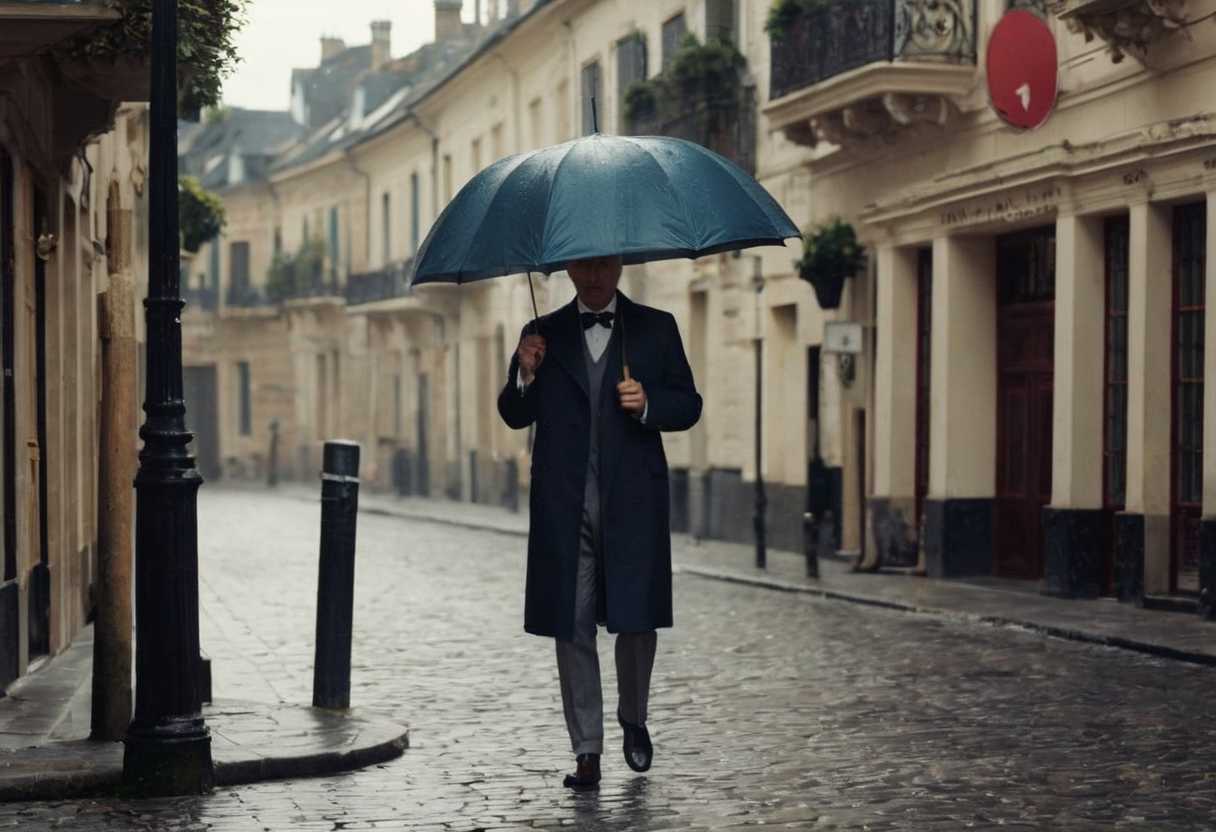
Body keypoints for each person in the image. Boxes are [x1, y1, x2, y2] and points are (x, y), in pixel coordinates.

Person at [498, 255, 702, 790]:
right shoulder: (540, 333)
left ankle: (634, 718)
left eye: (602, 266)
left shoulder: (656, 328)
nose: (593, 276)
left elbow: (689, 404)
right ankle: (586, 748)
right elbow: (515, 413)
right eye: (582, 267)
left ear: (618, 265)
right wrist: (525, 372)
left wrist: (649, 402)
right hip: (564, 504)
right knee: (573, 619)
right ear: (567, 270)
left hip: (633, 500)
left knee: (636, 619)